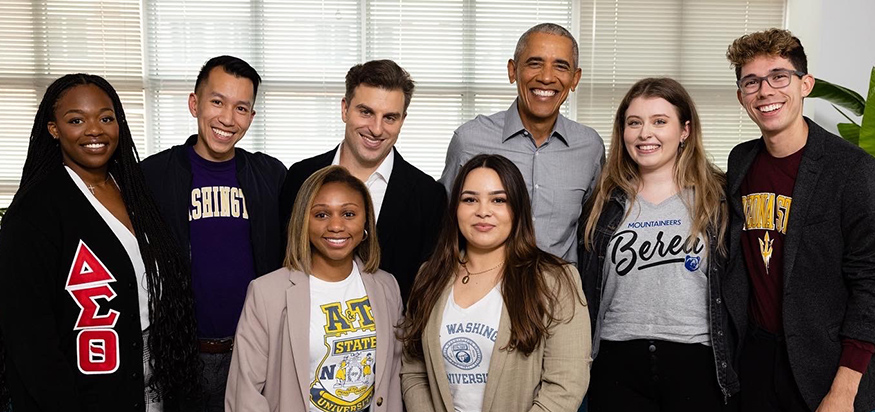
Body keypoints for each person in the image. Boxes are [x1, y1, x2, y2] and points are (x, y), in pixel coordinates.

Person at [0, 74, 200, 411]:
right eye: (76, 120)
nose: (95, 130)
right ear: (53, 129)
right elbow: (30, 339)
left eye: (106, 118)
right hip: (86, 387)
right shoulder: (35, 212)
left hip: (152, 377)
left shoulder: (134, 190)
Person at [724, 28, 875, 412]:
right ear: (741, 96)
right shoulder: (741, 161)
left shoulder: (853, 170)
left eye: (779, 77)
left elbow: (870, 284)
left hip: (825, 364)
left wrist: (844, 391)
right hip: (755, 357)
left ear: (805, 84)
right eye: (752, 82)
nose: (765, 91)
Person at [577, 78, 738, 411]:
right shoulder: (604, 203)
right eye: (634, 122)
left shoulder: (718, 198)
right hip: (616, 359)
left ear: (685, 130)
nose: (644, 133)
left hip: (697, 360)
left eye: (659, 122)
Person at [140, 55, 287, 411]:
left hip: (254, 352)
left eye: (241, 108)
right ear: (195, 103)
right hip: (184, 355)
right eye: (217, 102)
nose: (227, 118)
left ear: (251, 117)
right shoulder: (154, 175)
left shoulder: (271, 175)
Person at [400, 154, 590, 411]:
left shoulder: (555, 280)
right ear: (455, 208)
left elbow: (565, 384)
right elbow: (414, 370)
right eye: (470, 199)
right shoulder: (431, 275)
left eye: (498, 200)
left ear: (517, 209)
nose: (483, 211)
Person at [225, 165, 402, 412]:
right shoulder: (267, 293)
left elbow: (393, 378)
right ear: (303, 222)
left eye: (349, 214)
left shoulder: (387, 287)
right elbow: (245, 394)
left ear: (366, 223)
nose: (336, 226)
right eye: (321, 215)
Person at [279, 59, 446, 302]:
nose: (377, 129)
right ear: (345, 109)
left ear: (403, 120)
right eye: (366, 112)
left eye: (390, 117)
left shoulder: (428, 196)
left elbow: (427, 290)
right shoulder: (300, 177)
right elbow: (283, 263)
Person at [439, 23, 604, 265]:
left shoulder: (590, 147)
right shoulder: (469, 140)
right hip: (484, 292)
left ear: (574, 79)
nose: (547, 77)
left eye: (560, 66)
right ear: (512, 70)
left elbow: (590, 231)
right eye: (535, 63)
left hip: (558, 294)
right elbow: (445, 223)